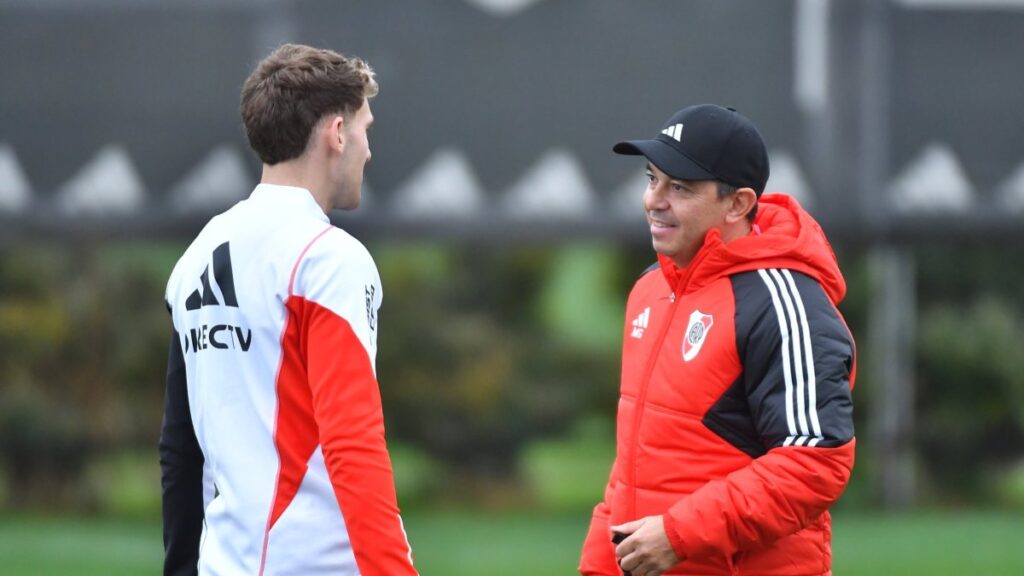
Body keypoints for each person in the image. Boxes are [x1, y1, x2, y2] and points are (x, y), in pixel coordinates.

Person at [160, 43, 416, 576]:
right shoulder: (328, 259)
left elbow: (179, 452)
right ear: (337, 133)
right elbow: (353, 443)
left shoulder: (196, 255)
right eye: (366, 129)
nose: (368, 150)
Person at [579, 104, 856, 576]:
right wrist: (601, 565)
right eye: (652, 179)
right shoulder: (652, 286)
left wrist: (679, 535)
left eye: (680, 187)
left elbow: (815, 460)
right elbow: (637, 460)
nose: (653, 200)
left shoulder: (781, 301)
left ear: (738, 204)